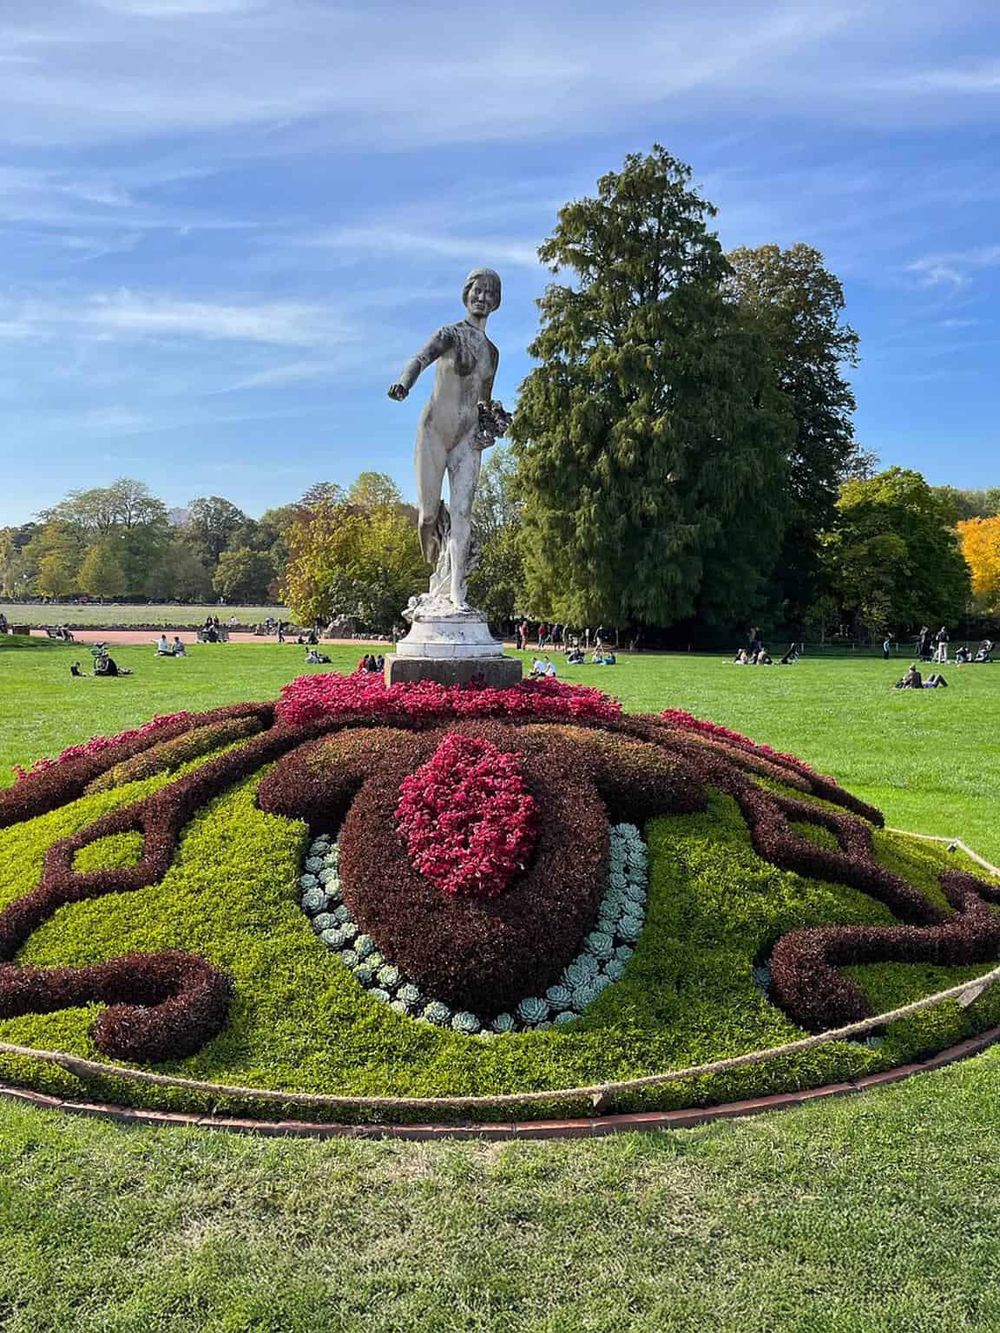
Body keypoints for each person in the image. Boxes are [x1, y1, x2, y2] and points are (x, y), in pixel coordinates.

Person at [387, 267, 505, 611]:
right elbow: (420, 359)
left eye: (489, 293)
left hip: (467, 438)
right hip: (435, 431)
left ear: (496, 302)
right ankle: (436, 571)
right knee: (427, 516)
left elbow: (483, 397)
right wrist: (404, 383)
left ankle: (455, 593)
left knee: (462, 512)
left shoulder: (492, 353)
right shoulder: (450, 334)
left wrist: (491, 421)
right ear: (467, 294)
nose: (482, 297)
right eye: (477, 291)